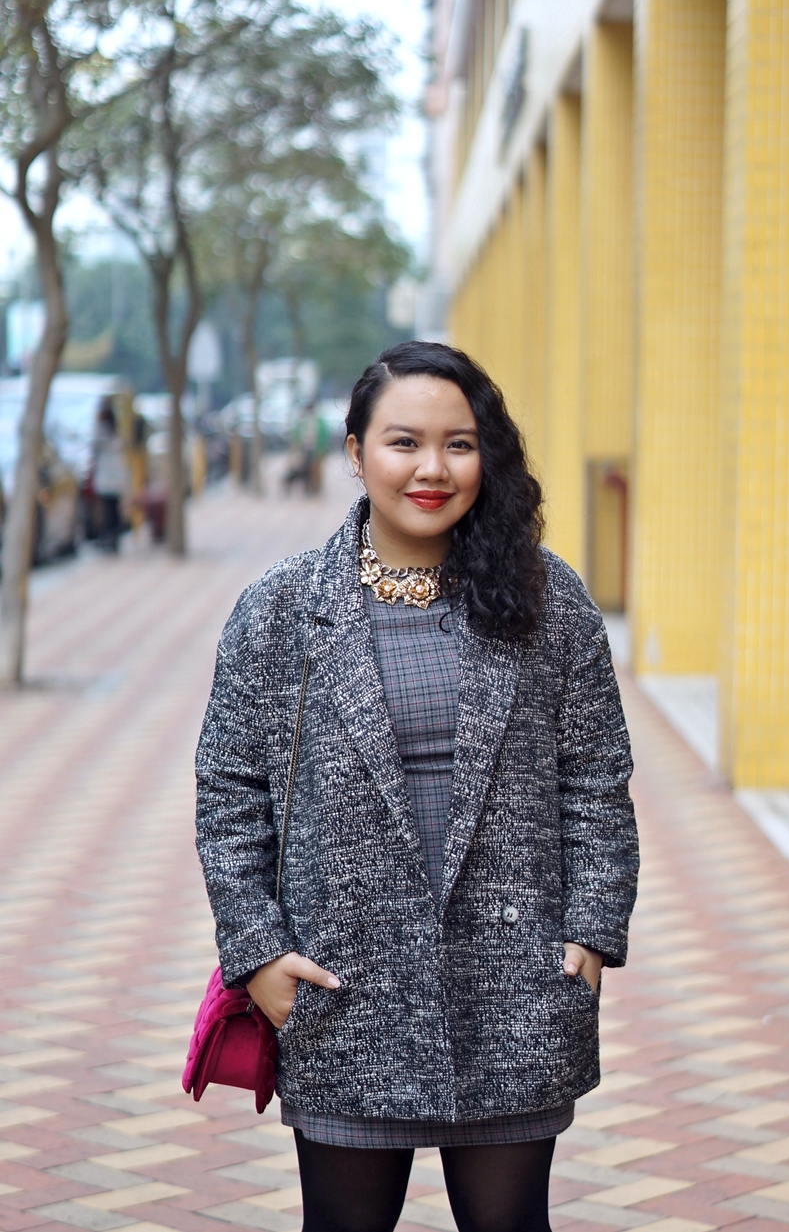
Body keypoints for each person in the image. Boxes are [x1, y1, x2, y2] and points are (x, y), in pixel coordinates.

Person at [195, 341, 639, 1232]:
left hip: (515, 989)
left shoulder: (548, 601)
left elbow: (596, 776)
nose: (432, 468)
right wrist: (258, 951)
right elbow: (229, 792)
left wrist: (591, 931)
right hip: (342, 989)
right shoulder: (281, 610)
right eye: (405, 442)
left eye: (459, 444)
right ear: (356, 452)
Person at [92, 401, 129, 552]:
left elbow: (94, 450)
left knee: (108, 510)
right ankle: (113, 538)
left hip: (107, 476)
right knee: (113, 508)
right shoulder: (115, 432)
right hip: (115, 476)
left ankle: (110, 537)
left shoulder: (101, 432)